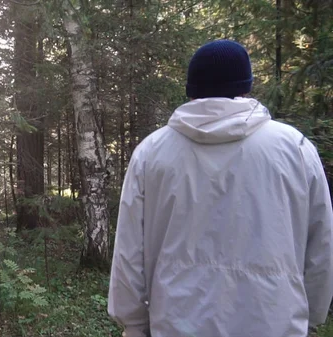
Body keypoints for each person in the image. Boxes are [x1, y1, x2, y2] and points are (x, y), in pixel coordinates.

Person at [108, 39, 333, 337]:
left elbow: (128, 252)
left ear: (191, 90)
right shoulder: (295, 148)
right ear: (246, 86)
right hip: (275, 323)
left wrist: (134, 324)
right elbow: (321, 245)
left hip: (176, 325)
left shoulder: (152, 153)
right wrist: (313, 315)